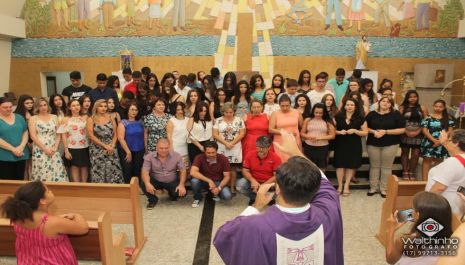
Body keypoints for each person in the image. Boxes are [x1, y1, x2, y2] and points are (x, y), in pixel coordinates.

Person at [214, 130, 344, 265]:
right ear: (315, 188)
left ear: (277, 187)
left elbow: (223, 237)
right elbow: (324, 182)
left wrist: (256, 206)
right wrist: (296, 152)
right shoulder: (329, 212)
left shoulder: (254, 226)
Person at [0, 181, 89, 265]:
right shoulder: (51, 223)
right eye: (48, 191)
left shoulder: (18, 217)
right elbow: (83, 228)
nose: (51, 191)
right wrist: (76, 215)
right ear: (42, 200)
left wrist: (57, 219)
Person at [385, 191, 452, 265]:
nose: (409, 212)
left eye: (412, 209)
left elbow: (390, 260)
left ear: (418, 215)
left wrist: (390, 230)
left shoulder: (406, 241)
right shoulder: (451, 237)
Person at [366, 96, 405, 198]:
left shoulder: (396, 114)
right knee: (374, 166)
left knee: (386, 167)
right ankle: (373, 187)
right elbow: (365, 127)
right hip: (373, 143)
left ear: (391, 104)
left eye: (388, 102)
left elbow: (402, 130)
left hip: (391, 144)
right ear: (379, 102)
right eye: (383, 101)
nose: (385, 103)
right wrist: (374, 131)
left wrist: (386, 131)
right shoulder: (371, 114)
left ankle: (384, 189)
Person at [425, 129, 465, 216]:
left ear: (456, 143)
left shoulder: (453, 162)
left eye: (449, 140)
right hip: (458, 204)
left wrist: (424, 204)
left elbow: (439, 188)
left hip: (441, 205)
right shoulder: (460, 159)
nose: (447, 143)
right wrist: (445, 142)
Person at [333, 98, 368, 196]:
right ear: (344, 106)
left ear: (356, 107)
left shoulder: (360, 118)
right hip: (340, 143)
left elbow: (365, 132)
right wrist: (339, 132)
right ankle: (340, 185)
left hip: (354, 144)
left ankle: (347, 185)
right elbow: (332, 131)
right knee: (340, 165)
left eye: (352, 105)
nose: (349, 107)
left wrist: (355, 131)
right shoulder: (338, 116)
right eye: (348, 105)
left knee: (350, 165)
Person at [29, 98, 68, 182]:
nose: (43, 107)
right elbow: (33, 136)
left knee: (56, 168)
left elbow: (58, 133)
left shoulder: (54, 117)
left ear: (48, 106)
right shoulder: (33, 118)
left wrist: (55, 147)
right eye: (40, 106)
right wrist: (45, 149)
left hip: (53, 147)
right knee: (42, 169)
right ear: (36, 107)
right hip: (40, 147)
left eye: (45, 105)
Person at [141, 139, 187, 209]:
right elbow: (145, 171)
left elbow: (183, 170)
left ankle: (172, 194)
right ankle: (153, 200)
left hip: (172, 181)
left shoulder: (177, 156)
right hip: (156, 181)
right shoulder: (149, 157)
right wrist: (147, 183)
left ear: (169, 147)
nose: (164, 150)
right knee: (143, 183)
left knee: (181, 194)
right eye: (161, 148)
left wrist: (181, 185)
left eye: (166, 148)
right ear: (156, 148)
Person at [86, 99, 123, 183]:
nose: (103, 108)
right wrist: (104, 146)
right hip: (97, 148)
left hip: (111, 146)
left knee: (113, 169)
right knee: (98, 170)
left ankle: (115, 191)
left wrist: (112, 145)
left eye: (105, 106)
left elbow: (115, 133)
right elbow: (91, 136)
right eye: (101, 106)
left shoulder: (111, 117)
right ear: (96, 107)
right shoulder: (91, 119)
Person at [213, 102, 246, 195]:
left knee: (233, 168)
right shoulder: (218, 120)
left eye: (231, 112)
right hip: (222, 147)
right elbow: (215, 134)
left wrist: (231, 143)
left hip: (235, 147)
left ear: (234, 112)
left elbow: (242, 133)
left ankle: (232, 187)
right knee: (222, 168)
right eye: (226, 112)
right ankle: (224, 187)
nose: (228, 114)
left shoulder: (239, 120)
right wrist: (226, 143)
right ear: (223, 112)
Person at [237, 136, 282, 205]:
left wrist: (264, 186)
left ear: (269, 147)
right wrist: (252, 180)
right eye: (258, 147)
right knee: (240, 185)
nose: (260, 150)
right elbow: (245, 170)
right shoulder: (250, 155)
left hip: (269, 182)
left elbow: (277, 176)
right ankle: (254, 198)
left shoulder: (276, 158)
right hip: (254, 181)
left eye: (263, 148)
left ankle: (268, 198)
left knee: (280, 186)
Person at [420, 99, 455, 180]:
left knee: (439, 161)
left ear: (444, 108)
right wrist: (434, 140)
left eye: (440, 107)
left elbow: (450, 131)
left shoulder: (448, 118)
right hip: (429, 142)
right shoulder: (428, 118)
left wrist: (440, 141)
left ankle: (436, 180)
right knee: (427, 160)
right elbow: (424, 130)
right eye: (436, 106)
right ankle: (424, 181)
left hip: (442, 142)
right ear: (433, 107)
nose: (438, 108)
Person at [190, 141, 232, 207]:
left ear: (217, 151)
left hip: (218, 182)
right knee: (194, 181)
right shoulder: (199, 157)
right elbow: (193, 172)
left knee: (227, 196)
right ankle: (197, 198)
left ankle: (215, 193)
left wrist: (219, 188)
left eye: (213, 152)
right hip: (203, 181)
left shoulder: (223, 159)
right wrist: (209, 181)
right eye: (208, 153)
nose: (211, 155)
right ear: (204, 151)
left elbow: (227, 176)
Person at [399, 90, 428, 180]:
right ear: (407, 98)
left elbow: (426, 121)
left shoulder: (422, 108)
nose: (412, 98)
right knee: (405, 153)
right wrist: (406, 131)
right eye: (410, 97)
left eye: (414, 97)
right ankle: (405, 171)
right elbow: (399, 121)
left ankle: (411, 171)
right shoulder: (402, 107)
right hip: (405, 132)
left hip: (418, 133)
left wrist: (418, 131)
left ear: (417, 97)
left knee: (416, 154)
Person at [59, 99, 90, 183]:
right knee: (74, 166)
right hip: (71, 147)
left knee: (84, 166)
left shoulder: (86, 117)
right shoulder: (65, 119)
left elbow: (89, 131)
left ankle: (84, 185)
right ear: (69, 107)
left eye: (77, 105)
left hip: (85, 146)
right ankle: (77, 186)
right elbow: (63, 135)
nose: (76, 107)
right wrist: (66, 150)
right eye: (73, 105)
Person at [0, 97, 30, 180]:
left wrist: (22, 146)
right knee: (6, 182)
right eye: (5, 107)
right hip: (4, 156)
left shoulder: (19, 117)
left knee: (19, 180)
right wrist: (13, 149)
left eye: (10, 107)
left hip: (20, 153)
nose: (9, 109)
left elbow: (25, 132)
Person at [301, 103, 335, 170]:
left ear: (324, 112)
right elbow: (302, 133)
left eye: (320, 113)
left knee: (322, 166)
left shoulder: (328, 121)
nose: (318, 114)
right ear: (313, 111)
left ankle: (322, 180)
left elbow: (332, 136)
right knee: (308, 166)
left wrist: (320, 138)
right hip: (309, 146)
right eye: (316, 112)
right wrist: (309, 137)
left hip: (323, 147)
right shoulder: (308, 120)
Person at [269, 94, 303, 162]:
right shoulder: (275, 114)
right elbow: (270, 130)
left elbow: (302, 126)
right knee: (281, 162)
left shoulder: (297, 112)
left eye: (287, 106)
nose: (285, 108)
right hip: (280, 142)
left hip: (294, 141)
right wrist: (286, 133)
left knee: (295, 162)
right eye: (282, 106)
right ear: (279, 105)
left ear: (290, 104)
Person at [117, 103, 145, 184]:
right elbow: (120, 138)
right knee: (127, 170)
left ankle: (137, 188)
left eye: (136, 110)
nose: (134, 112)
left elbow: (144, 135)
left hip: (139, 149)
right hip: (126, 150)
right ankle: (128, 189)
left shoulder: (140, 122)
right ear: (128, 111)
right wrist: (128, 152)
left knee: (137, 169)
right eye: (132, 109)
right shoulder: (123, 123)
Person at [167, 102, 189, 167]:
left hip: (186, 146)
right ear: (174, 110)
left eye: (181, 109)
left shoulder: (188, 120)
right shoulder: (171, 121)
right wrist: (171, 148)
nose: (180, 111)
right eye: (178, 110)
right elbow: (169, 136)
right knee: (176, 168)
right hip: (175, 147)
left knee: (185, 167)